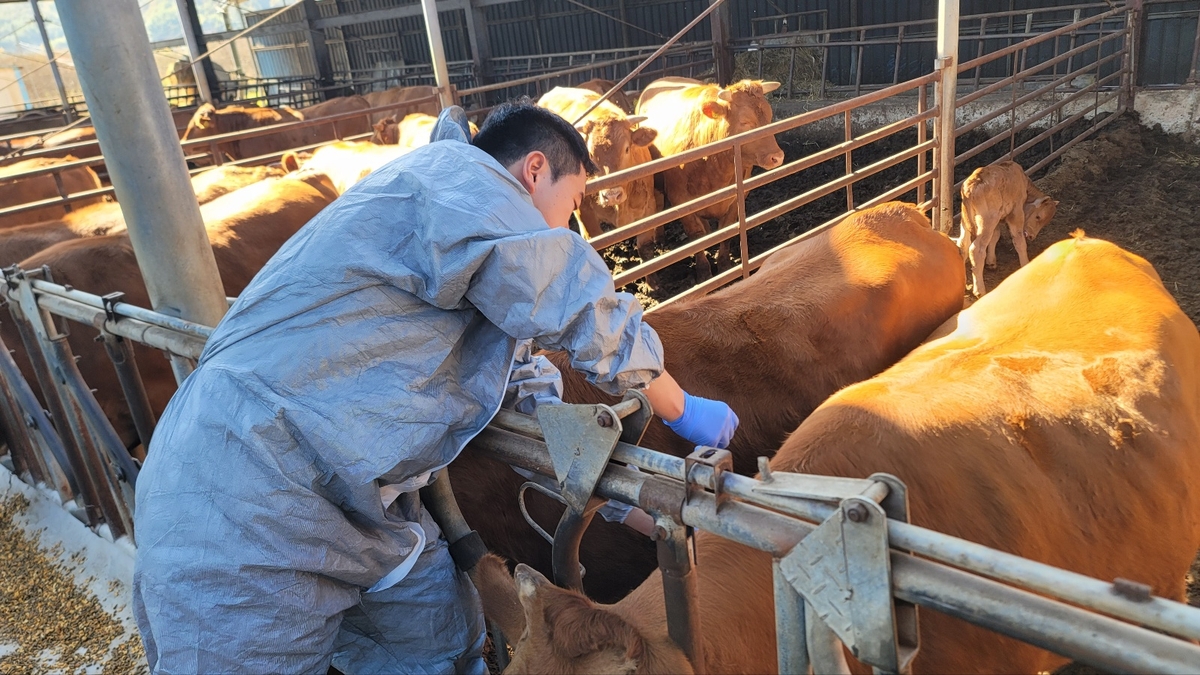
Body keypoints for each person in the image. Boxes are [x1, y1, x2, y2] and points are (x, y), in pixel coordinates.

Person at [132, 101, 739, 674]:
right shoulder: (461, 185)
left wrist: (626, 501)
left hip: (357, 500)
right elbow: (579, 300)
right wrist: (683, 409)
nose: (572, 223)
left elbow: (524, 392)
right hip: (245, 491)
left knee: (443, 638)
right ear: (534, 171)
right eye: (573, 200)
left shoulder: (459, 241)